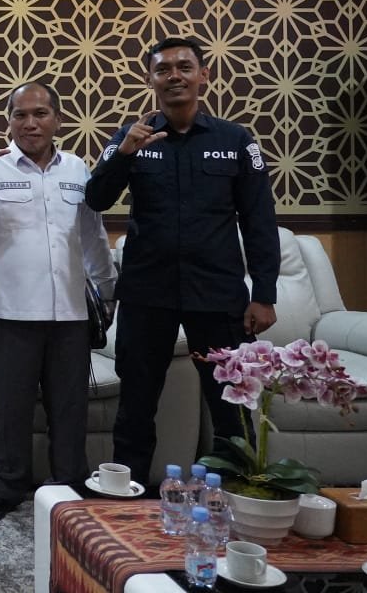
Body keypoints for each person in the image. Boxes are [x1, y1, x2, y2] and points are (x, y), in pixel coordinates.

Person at [84, 37, 279, 486]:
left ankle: (237, 493)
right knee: (136, 403)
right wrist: (124, 153)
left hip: (217, 293)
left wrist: (264, 294)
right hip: (146, 293)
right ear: (150, 79)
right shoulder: (132, 136)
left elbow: (259, 220)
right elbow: (96, 198)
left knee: (230, 403)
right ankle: (127, 492)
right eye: (163, 69)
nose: (174, 76)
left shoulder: (235, 140)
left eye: (184, 67)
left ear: (203, 75)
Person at [0, 82, 117, 522]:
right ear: (8, 121)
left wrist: (108, 290)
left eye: (40, 114)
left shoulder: (77, 169)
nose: (30, 123)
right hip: (15, 315)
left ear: (57, 119)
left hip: (71, 315)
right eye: (20, 115)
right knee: (12, 410)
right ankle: (5, 488)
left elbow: (92, 235)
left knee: (71, 409)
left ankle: (69, 488)